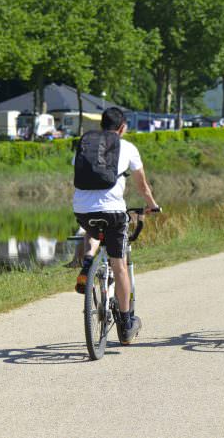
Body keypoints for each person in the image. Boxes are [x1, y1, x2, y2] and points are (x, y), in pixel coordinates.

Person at [73, 107, 159, 345]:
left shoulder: (86, 145)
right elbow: (142, 186)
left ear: (102, 125)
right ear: (122, 128)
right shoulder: (128, 147)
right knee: (119, 266)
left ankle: (88, 262)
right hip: (113, 213)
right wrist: (152, 205)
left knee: (92, 230)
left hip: (82, 210)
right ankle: (126, 321)